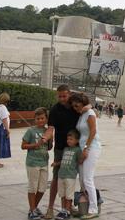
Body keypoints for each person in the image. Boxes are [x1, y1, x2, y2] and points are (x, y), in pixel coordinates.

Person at [42, 85, 88, 220]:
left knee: (72, 177)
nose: (62, 98)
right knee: (57, 177)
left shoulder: (76, 106)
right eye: (59, 96)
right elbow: (50, 128)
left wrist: (88, 108)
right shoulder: (55, 110)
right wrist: (46, 137)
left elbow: (90, 108)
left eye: (64, 96)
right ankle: (50, 208)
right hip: (61, 148)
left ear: (69, 94)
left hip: (76, 148)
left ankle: (68, 207)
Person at [69, 93, 101, 219]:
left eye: (77, 105)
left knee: (88, 178)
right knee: (82, 179)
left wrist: (86, 148)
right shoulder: (82, 114)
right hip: (82, 148)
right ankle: (84, 207)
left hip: (91, 147)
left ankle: (93, 209)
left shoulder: (90, 113)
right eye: (74, 107)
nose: (75, 108)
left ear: (82, 103)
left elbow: (93, 131)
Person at [22, 107, 53, 220]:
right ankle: (32, 210)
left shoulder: (47, 131)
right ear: (34, 119)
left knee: (42, 188)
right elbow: (23, 146)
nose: (40, 120)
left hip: (44, 162)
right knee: (32, 187)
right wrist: (35, 145)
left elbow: (49, 148)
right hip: (32, 162)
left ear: (46, 119)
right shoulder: (31, 131)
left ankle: (34, 207)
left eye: (42, 118)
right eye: (38, 118)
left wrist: (50, 139)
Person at [52, 130, 83, 220]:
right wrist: (56, 163)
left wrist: (85, 155)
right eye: (68, 139)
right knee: (62, 194)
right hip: (61, 175)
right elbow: (63, 160)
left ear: (77, 141)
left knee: (69, 195)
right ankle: (63, 210)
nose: (69, 141)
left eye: (71, 139)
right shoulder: (65, 149)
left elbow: (80, 160)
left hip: (70, 176)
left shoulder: (77, 150)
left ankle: (67, 211)